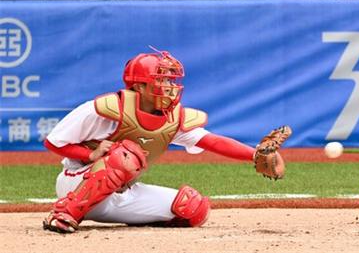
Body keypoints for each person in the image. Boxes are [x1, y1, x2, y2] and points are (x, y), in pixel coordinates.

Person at [42, 49, 289, 233]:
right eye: (161, 80)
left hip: (118, 194)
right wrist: (91, 155)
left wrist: (255, 155)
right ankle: (64, 215)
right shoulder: (107, 109)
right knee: (123, 156)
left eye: (171, 81)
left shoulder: (172, 118)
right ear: (139, 86)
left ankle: (132, 217)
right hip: (75, 184)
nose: (169, 87)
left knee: (193, 208)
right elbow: (54, 142)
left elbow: (210, 141)